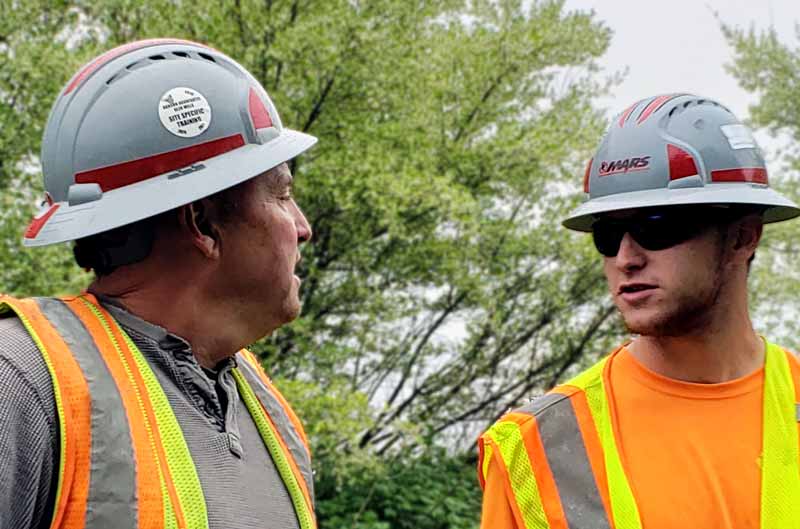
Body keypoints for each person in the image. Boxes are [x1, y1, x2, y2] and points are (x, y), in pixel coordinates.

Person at [0, 39, 319, 529]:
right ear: (203, 224)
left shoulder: (270, 414)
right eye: (283, 195)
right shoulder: (21, 382)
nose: (302, 227)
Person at [477, 94, 800, 528]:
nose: (626, 257)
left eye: (656, 226)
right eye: (607, 235)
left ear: (743, 237)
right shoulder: (535, 449)